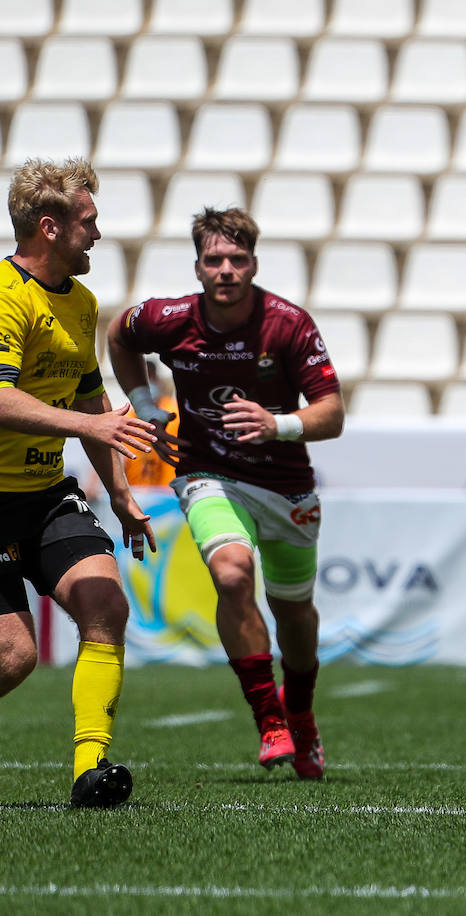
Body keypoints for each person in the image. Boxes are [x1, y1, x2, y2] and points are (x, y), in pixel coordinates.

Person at [106, 207, 344, 780]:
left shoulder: (288, 325)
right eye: (214, 260)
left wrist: (277, 423)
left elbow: (332, 414)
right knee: (233, 574)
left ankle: (303, 714)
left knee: (296, 618)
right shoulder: (169, 319)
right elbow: (119, 334)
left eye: (238, 259)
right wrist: (144, 407)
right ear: (198, 267)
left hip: (286, 486)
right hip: (206, 473)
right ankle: (271, 721)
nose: (227, 270)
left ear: (254, 264)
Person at [0, 157, 158, 808]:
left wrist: (121, 498)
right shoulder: (7, 296)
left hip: (43, 495)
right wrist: (84, 428)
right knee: (14, 656)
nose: (97, 233)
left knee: (106, 607)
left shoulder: (83, 301)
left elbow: (93, 403)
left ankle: (90, 771)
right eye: (88, 221)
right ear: (50, 227)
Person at [122, 359, 179, 489]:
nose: (149, 385)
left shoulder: (174, 412)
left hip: (169, 493)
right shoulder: (126, 419)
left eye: (152, 378)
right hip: (137, 493)